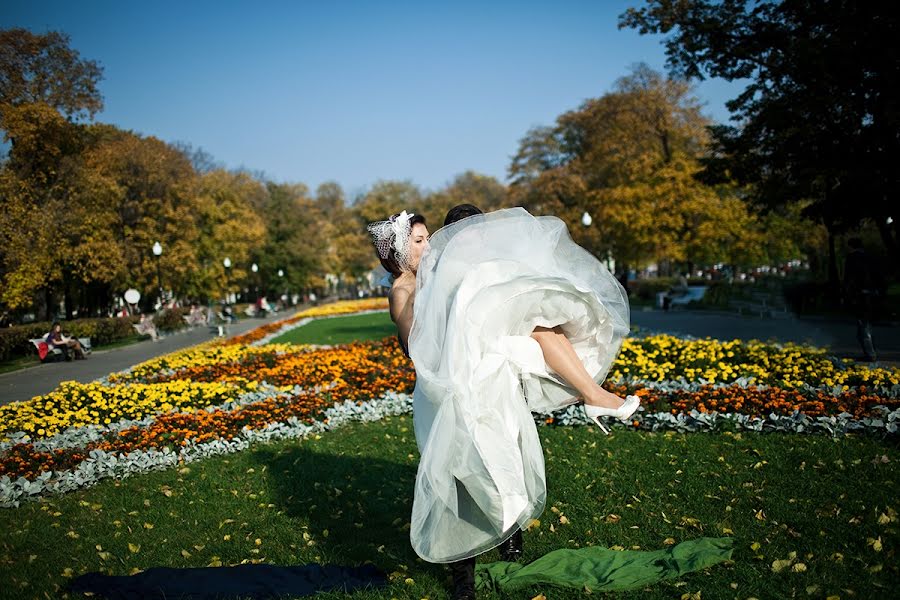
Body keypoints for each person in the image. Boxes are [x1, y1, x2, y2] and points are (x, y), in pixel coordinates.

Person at [368, 206, 639, 599]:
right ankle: (462, 575)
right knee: (459, 475)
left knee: (538, 343)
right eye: (421, 240)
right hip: (444, 393)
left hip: (481, 377)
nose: (431, 245)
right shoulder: (403, 291)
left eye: (430, 238)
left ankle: (591, 398)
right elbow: (418, 348)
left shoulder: (448, 274)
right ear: (399, 252)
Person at [842, 237, 883, 361]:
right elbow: (879, 275)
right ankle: (870, 352)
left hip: (859, 295)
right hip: (872, 294)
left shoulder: (852, 258)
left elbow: (849, 278)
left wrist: (846, 294)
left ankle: (870, 353)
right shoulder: (870, 257)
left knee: (863, 325)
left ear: (851, 246)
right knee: (866, 324)